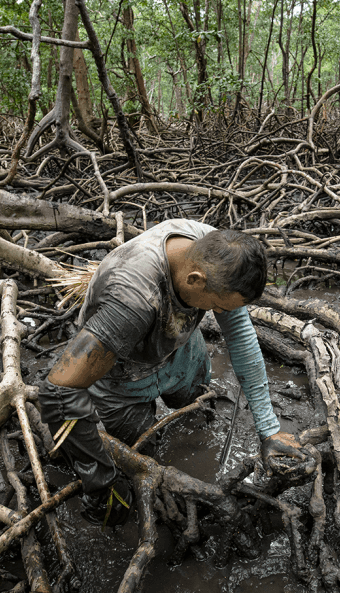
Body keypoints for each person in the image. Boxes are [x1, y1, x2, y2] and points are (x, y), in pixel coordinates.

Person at [38, 219, 309, 527]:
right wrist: (100, 479)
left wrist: (269, 430)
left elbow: (242, 341)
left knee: (198, 410)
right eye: (217, 307)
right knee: (144, 456)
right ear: (194, 280)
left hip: (179, 349)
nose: (220, 314)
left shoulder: (214, 247)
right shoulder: (133, 299)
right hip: (122, 377)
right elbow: (59, 390)